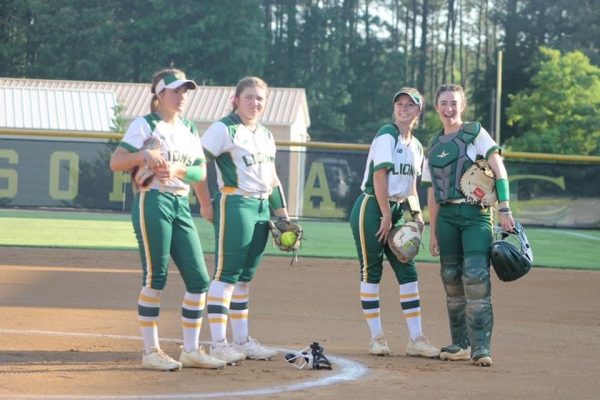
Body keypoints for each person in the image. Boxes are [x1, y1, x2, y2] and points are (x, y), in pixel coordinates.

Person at [109, 68, 225, 371]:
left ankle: (190, 350)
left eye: (185, 90)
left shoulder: (188, 128)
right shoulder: (145, 125)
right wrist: (143, 157)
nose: (182, 95)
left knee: (199, 281)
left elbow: (200, 171)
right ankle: (151, 351)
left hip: (179, 203)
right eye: (175, 90)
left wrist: (183, 177)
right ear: (159, 95)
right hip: (153, 199)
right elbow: (116, 161)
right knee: (155, 277)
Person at [198, 76, 292, 364]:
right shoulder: (224, 129)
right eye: (249, 97)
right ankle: (218, 343)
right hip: (236, 201)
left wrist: (283, 215)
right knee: (227, 274)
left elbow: (273, 178)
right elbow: (197, 162)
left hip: (263, 206)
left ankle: (242, 341)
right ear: (235, 100)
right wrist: (205, 203)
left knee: (244, 279)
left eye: (260, 98)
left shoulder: (265, 134)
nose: (255, 103)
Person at [422, 83, 515, 367]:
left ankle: (480, 348)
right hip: (447, 217)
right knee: (451, 279)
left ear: (462, 105)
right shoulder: (434, 144)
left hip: (476, 215)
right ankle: (460, 344)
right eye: (444, 103)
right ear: (436, 107)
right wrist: (433, 230)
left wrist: (504, 207)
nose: (449, 109)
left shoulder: (475, 132)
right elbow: (432, 192)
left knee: (475, 277)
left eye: (454, 103)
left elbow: (498, 167)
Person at [349, 87, 440, 358]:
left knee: (408, 272)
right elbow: (379, 177)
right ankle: (377, 338)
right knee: (371, 271)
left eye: (409, 105)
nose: (403, 108)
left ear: (418, 112)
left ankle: (416, 340)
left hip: (398, 210)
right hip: (371, 209)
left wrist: (417, 216)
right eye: (399, 104)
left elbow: (412, 188)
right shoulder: (387, 134)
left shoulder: (417, 146)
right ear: (394, 109)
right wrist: (386, 215)